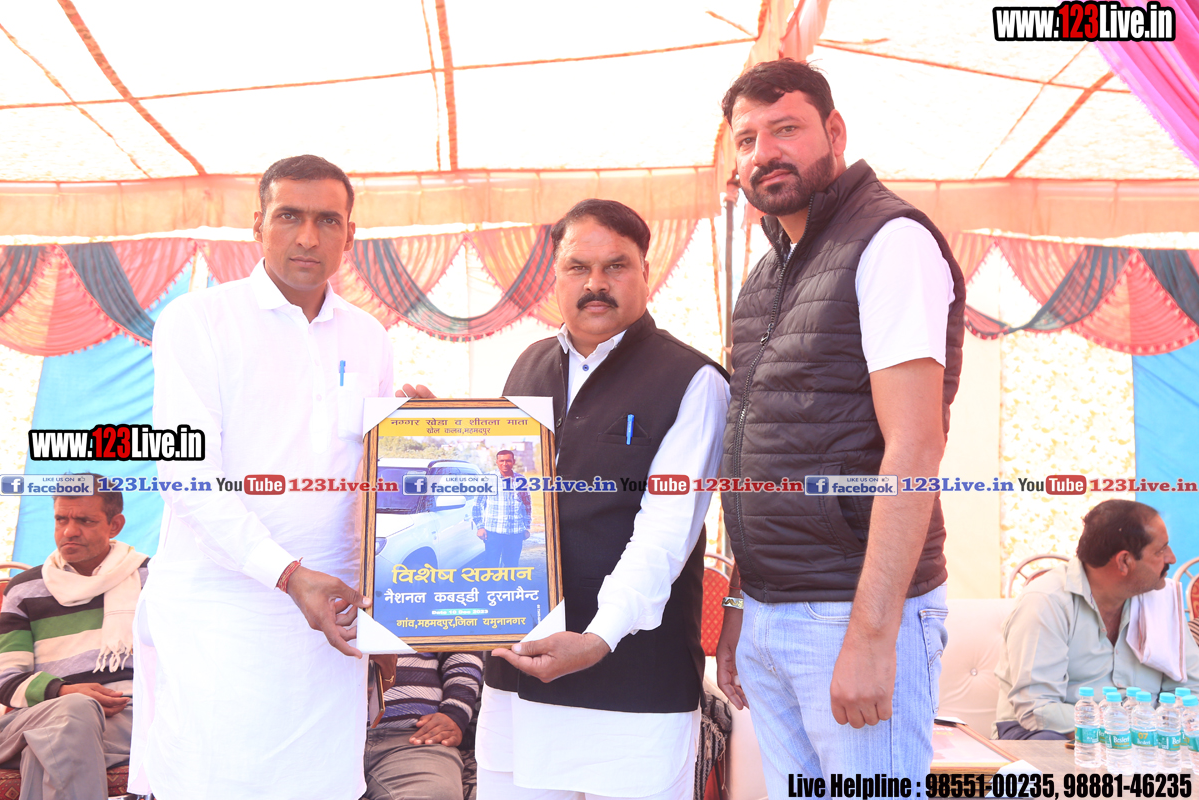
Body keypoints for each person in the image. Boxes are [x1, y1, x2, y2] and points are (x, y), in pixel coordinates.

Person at [713, 58, 966, 784]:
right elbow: (763, 448)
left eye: (786, 129)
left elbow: (915, 445)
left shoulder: (890, 241)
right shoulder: (771, 270)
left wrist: (874, 635)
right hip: (773, 611)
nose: (764, 153)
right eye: (747, 140)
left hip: (851, 612)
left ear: (834, 132)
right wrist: (740, 602)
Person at [132, 155, 394, 799]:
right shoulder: (198, 321)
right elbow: (187, 475)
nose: (308, 236)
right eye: (289, 216)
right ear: (258, 225)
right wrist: (287, 573)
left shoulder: (369, 337)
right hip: (221, 613)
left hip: (329, 619)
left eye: (327, 220)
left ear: (350, 235)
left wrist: (423, 433)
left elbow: (373, 475)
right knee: (214, 782)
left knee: (321, 786)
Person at [470, 199, 731, 800]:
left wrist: (598, 637)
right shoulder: (528, 366)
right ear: (554, 274)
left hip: (634, 684)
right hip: (520, 674)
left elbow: (665, 533)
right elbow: (509, 487)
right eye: (577, 267)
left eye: (615, 266)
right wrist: (440, 432)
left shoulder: (693, 381)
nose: (595, 284)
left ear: (646, 271)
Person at [994, 499, 1199, 739]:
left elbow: (1191, 690)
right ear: (1124, 561)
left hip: (1142, 738)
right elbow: (1037, 712)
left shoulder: (1160, 600)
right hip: (1047, 735)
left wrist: (1153, 732)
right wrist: (1125, 730)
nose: (1171, 558)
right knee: (1053, 747)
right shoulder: (1046, 601)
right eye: (1160, 550)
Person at [0, 482, 148, 800]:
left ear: (115, 525)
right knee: (75, 711)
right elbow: (5, 680)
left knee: (47, 747)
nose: (69, 531)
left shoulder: (151, 580)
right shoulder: (23, 590)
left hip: (130, 718)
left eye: (85, 521)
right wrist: (63, 692)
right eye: (61, 519)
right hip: (35, 716)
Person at [364, 652, 483, 800]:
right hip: (336, 735)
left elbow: (461, 650)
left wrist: (456, 712)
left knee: (436, 795)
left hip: (414, 739)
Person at [473, 450, 532, 568]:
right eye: (502, 461)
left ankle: (509, 581)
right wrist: (480, 527)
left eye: (508, 461)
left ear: (513, 462)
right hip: (493, 532)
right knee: (491, 566)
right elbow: (477, 505)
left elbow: (527, 505)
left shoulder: (521, 480)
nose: (505, 464)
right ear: (497, 462)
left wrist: (526, 527)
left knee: (512, 566)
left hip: (515, 532)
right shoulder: (488, 479)